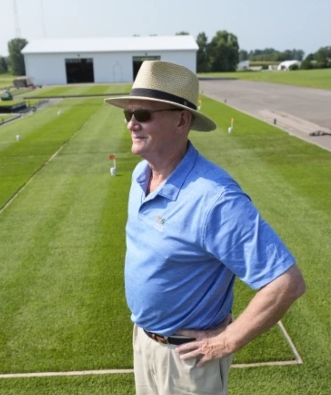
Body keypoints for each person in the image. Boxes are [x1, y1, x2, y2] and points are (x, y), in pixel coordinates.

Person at [105, 60, 306, 394]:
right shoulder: (140, 176)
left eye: (144, 115)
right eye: (129, 114)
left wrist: (227, 340)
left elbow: (286, 282)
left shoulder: (215, 198)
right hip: (144, 343)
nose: (131, 125)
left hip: (187, 363)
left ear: (182, 119)